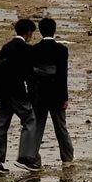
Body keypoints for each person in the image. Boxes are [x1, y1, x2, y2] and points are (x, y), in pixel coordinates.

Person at [0, 17, 41, 174]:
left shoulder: (6, 47)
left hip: (1, 92)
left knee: (2, 123)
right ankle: (25, 158)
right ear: (29, 32)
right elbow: (30, 76)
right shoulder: (27, 49)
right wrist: (32, 96)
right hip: (17, 92)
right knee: (29, 120)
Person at [29, 17, 73, 166]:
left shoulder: (34, 49)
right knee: (61, 128)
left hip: (39, 95)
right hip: (56, 95)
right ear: (54, 30)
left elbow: (31, 75)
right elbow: (62, 75)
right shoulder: (61, 50)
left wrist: (32, 94)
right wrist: (65, 97)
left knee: (37, 129)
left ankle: (33, 158)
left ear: (40, 31)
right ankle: (67, 158)